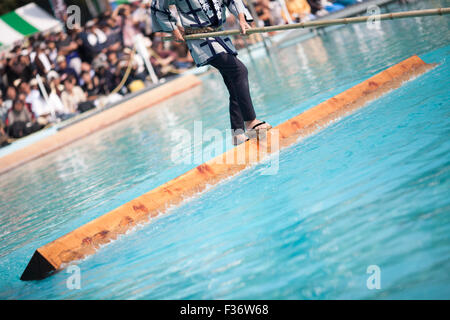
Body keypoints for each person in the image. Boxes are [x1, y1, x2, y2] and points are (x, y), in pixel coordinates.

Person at [151, 0, 272, 145]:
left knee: (234, 82)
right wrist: (173, 28)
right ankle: (251, 122)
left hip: (220, 34)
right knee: (239, 71)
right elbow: (157, 7)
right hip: (200, 38)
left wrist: (241, 18)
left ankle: (237, 133)